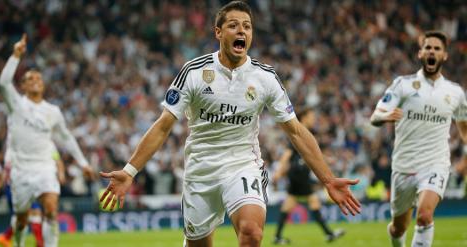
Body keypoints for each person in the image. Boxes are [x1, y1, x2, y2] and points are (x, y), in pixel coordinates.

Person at [100, 2, 361, 247]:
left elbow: (296, 131)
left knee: (252, 234)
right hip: (201, 170)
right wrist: (130, 171)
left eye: (247, 26)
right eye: (234, 25)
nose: (242, 30)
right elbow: (163, 126)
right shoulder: (194, 72)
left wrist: (327, 179)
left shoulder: (265, 78)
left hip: (242, 164)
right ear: (218, 32)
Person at [370, 30, 467, 247]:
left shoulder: (455, 92)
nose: (432, 51)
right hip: (404, 166)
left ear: (445, 56)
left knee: (424, 215)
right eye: (428, 48)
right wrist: (385, 116)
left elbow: (464, 130)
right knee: (398, 227)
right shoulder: (402, 85)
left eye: (437, 48)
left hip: (435, 164)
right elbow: (375, 116)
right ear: (420, 53)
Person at [0, 34, 94, 247]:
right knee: (21, 220)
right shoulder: (16, 105)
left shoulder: (53, 111)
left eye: (38, 79)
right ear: (22, 86)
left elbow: (67, 138)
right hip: (21, 170)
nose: (35, 81)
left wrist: (83, 163)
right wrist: (15, 55)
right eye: (30, 79)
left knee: (51, 209)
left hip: (44, 167)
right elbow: (3, 83)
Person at [272, 108, 345, 245]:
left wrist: (327, 159)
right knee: (313, 201)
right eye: (311, 116)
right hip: (298, 174)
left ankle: (277, 236)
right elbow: (287, 154)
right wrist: (278, 171)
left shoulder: (304, 132)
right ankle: (329, 234)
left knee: (289, 205)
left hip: (297, 174)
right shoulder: (298, 131)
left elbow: (311, 153)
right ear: (304, 117)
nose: (314, 119)